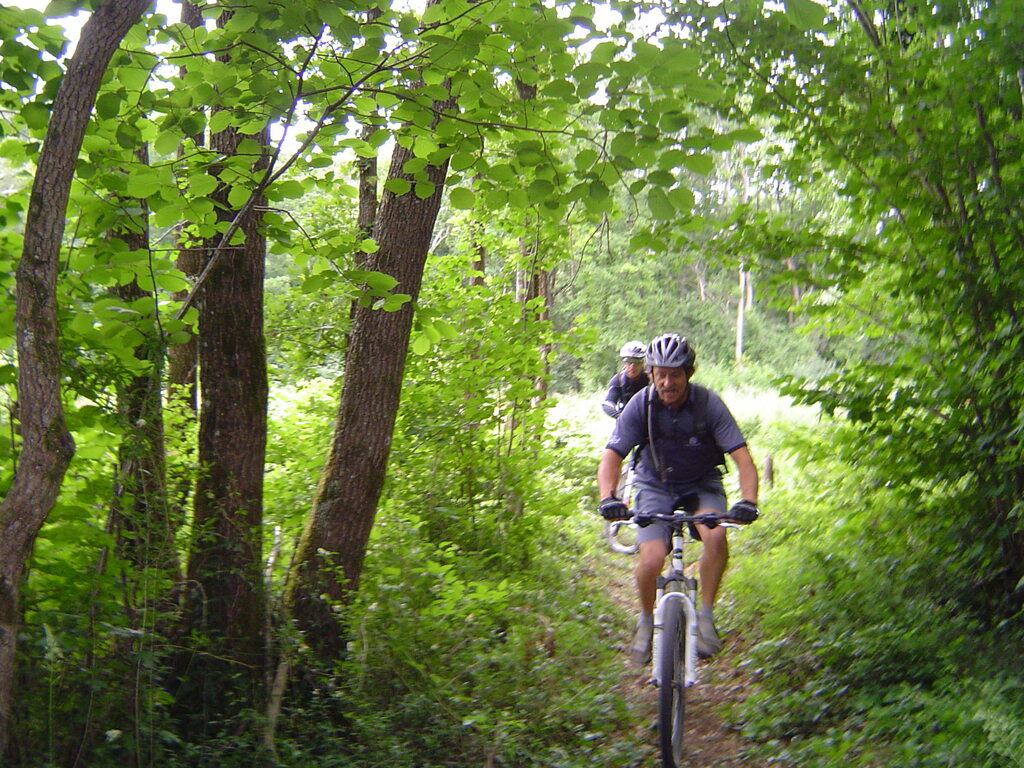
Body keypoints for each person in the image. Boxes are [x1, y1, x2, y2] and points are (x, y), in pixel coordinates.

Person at [596, 333, 759, 666]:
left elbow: (743, 458)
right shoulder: (641, 404)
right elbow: (612, 456)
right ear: (651, 374)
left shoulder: (708, 404)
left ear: (689, 373)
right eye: (661, 375)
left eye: (676, 375)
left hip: (701, 483)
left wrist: (748, 501)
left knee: (716, 536)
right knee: (652, 558)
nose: (668, 383)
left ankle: (706, 616)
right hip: (654, 483)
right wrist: (607, 498)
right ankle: (645, 621)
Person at [601, 341, 649, 419]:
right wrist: (621, 417)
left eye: (637, 362)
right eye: (629, 361)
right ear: (624, 363)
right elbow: (608, 403)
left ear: (643, 363)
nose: (632, 366)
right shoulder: (618, 380)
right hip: (626, 418)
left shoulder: (650, 378)